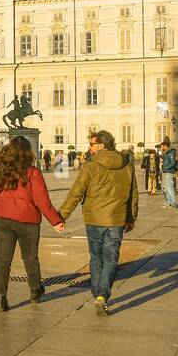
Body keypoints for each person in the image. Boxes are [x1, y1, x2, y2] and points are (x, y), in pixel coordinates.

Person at [59, 130, 138, 317]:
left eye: (92, 144)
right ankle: (102, 295)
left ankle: (98, 293)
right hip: (116, 219)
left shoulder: (90, 165)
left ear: (101, 145)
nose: (90, 147)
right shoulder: (126, 164)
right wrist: (130, 217)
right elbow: (133, 193)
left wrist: (61, 215)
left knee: (96, 259)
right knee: (111, 259)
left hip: (94, 218)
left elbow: (76, 192)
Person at [0, 136, 64, 311]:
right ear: (28, 152)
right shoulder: (33, 173)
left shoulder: (2, 172)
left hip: (3, 221)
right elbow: (43, 202)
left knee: (3, 260)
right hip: (28, 222)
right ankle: (35, 290)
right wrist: (56, 221)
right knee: (30, 258)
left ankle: (1, 299)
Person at [159, 138, 178, 208]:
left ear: (165, 146)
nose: (161, 148)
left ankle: (173, 202)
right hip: (165, 172)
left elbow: (173, 163)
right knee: (165, 188)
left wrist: (166, 168)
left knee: (170, 187)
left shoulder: (171, 153)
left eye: (162, 146)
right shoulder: (165, 153)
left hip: (169, 172)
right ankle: (168, 201)